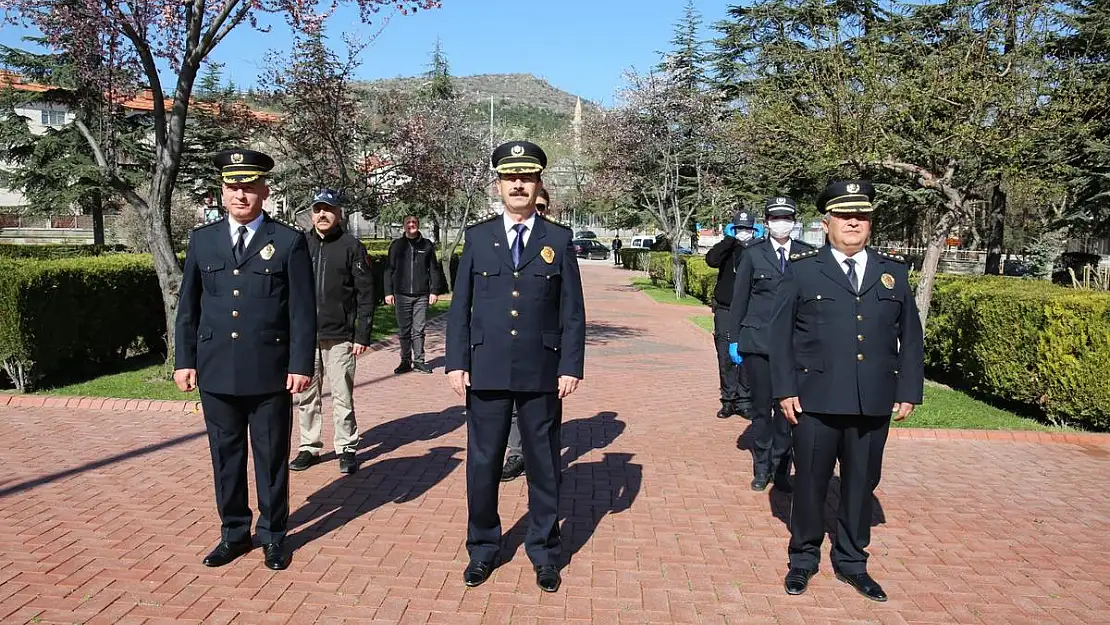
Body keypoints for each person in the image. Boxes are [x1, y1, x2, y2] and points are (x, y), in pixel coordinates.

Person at [769, 180, 924, 601]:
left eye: (862, 216)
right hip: (815, 401)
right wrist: (784, 390)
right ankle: (802, 559)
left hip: (872, 401)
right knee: (810, 485)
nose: (853, 222)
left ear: (870, 223)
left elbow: (910, 337)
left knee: (861, 484)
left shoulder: (893, 273)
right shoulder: (802, 271)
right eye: (843, 215)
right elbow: (778, 335)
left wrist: (908, 389)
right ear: (827, 222)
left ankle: (853, 562)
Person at [445, 140, 586, 593]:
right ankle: (483, 548)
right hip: (485, 368)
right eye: (511, 178)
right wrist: (455, 361)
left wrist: (571, 365)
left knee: (544, 463)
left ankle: (545, 550)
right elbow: (460, 305)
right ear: (498, 185)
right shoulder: (477, 237)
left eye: (526, 178)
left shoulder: (558, 239)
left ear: (538, 184)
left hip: (542, 370)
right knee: (483, 464)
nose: (519, 185)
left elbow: (572, 312)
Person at [173, 148, 316, 571]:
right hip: (216, 369)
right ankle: (234, 534)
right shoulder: (203, 239)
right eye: (233, 187)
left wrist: (300, 364)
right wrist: (185, 360)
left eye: (249, 187)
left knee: (271, 458)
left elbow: (302, 312)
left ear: (264, 191)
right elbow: (188, 308)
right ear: (222, 191)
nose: (241, 194)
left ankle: (273, 535)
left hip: (270, 371)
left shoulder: (288, 241)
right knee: (225, 457)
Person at [289, 187, 376, 475]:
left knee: (342, 395)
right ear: (311, 214)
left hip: (340, 336)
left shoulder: (352, 246)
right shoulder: (300, 245)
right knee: (306, 395)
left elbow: (365, 294)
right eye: (317, 209)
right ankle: (309, 446)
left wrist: (361, 334)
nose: (322, 214)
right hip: (305, 336)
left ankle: (346, 447)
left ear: (339, 213)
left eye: (328, 209)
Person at [729, 196, 814, 491]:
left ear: (794, 222)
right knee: (762, 410)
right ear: (766, 223)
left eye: (787, 218)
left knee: (788, 410)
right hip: (758, 344)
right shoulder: (754, 254)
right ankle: (762, 467)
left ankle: (781, 468)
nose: (782, 223)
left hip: (792, 348)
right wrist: (734, 339)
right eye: (776, 219)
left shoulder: (807, 255)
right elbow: (739, 301)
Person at [500, 190, 553, 482]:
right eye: (538, 207)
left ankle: (541, 459)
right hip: (508, 343)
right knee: (510, 407)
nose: (540, 211)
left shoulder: (555, 242)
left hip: (543, 347)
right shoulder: (498, 239)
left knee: (540, 412)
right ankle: (516, 453)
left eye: (544, 207)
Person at [704, 210, 757, 419]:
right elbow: (711, 259)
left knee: (746, 356)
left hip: (750, 310)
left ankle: (745, 399)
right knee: (725, 355)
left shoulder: (759, 248)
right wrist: (729, 240)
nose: (743, 232)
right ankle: (728, 399)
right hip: (726, 309)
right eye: (739, 228)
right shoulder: (727, 247)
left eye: (747, 229)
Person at [383, 215, 447, 374]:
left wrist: (434, 290)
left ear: (418, 225)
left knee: (418, 329)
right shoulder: (397, 245)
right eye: (408, 223)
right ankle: (405, 360)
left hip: (421, 295)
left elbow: (433, 269)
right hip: (401, 294)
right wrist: (388, 292)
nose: (411, 225)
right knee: (404, 330)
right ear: (404, 226)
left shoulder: (426, 245)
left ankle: (419, 361)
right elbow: (389, 270)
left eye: (414, 223)